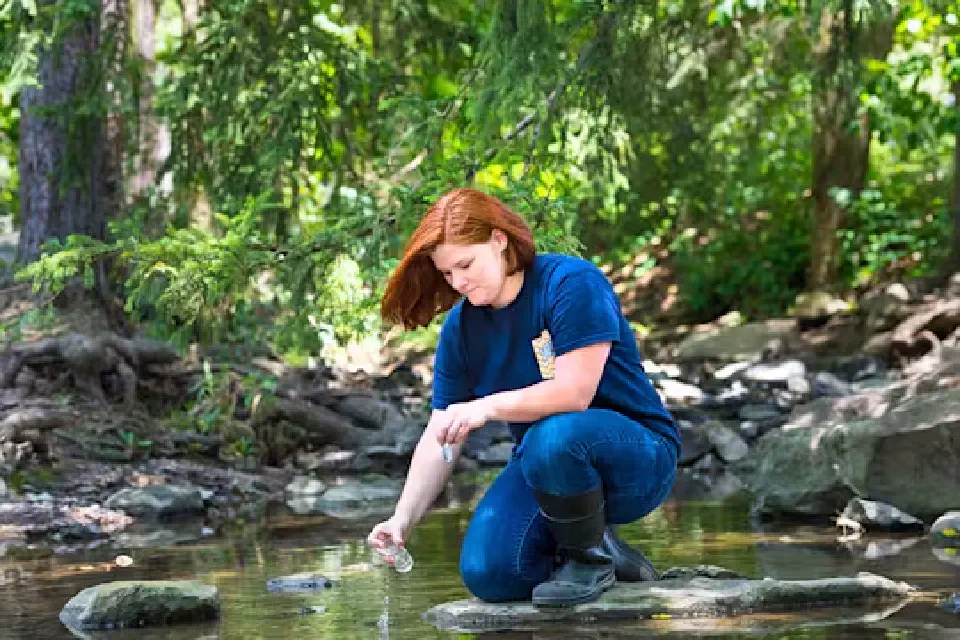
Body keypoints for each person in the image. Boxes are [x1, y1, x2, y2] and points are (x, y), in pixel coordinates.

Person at [367, 187, 680, 606]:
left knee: (554, 436)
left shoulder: (570, 284)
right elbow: (441, 432)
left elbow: (574, 393)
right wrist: (402, 519)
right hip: (547, 469)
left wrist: (486, 406)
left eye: (465, 264)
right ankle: (605, 552)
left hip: (637, 459)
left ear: (499, 240)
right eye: (446, 274)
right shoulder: (461, 328)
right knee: (489, 575)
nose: (458, 282)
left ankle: (588, 562)